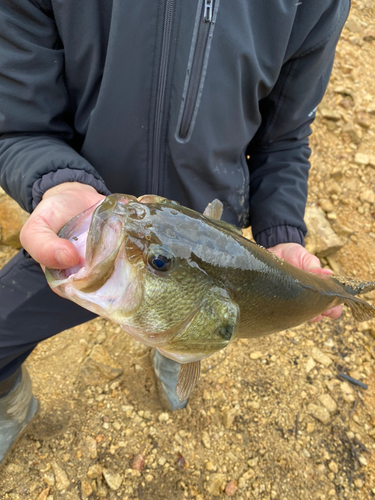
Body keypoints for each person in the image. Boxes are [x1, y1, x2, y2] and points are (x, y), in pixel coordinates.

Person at [0, 0, 349, 466]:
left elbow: (285, 136)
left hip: (208, 238)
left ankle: (181, 343)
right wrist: (59, 179)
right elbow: (18, 120)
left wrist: (280, 229)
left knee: (200, 319)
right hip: (88, 225)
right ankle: (11, 407)